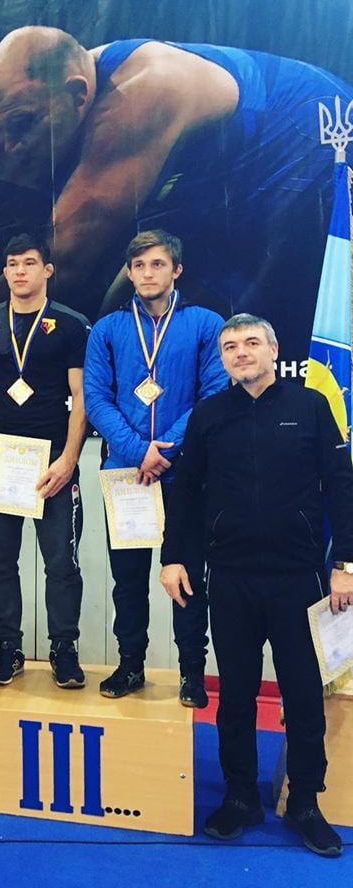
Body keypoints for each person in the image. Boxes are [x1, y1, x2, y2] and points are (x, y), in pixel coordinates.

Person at [0, 31, 353, 357]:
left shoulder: (137, 101)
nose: (9, 146)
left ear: (79, 96)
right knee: (131, 311)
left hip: (304, 139)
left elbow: (68, 261)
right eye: (0, 125)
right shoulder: (38, 97)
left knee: (245, 331)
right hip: (220, 171)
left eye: (20, 126)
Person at [160, 314, 353, 857]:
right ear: (222, 359)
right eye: (230, 346)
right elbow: (186, 491)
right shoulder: (209, 414)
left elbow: (342, 486)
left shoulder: (310, 407)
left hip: (299, 579)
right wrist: (174, 558)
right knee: (237, 695)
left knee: (303, 695)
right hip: (230, 579)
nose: (240, 352)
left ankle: (305, 802)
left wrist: (346, 563)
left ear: (273, 350)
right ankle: (240, 796)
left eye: (250, 343)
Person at [83, 230, 226, 706]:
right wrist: (135, 449)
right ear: (129, 272)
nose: (148, 273)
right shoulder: (107, 329)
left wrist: (165, 450)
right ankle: (130, 665)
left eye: (158, 264)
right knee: (127, 580)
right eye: (140, 265)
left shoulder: (204, 324)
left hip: (184, 474)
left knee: (187, 575)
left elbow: (213, 394)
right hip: (126, 475)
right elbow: (95, 398)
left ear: (176, 270)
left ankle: (191, 672)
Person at [0, 234, 90, 687]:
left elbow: (81, 396)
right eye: (12, 264)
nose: (19, 271)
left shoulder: (71, 325)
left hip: (51, 458)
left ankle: (64, 649)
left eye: (29, 263)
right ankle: (8, 647)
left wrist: (69, 458)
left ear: (47, 270)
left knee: (62, 563)